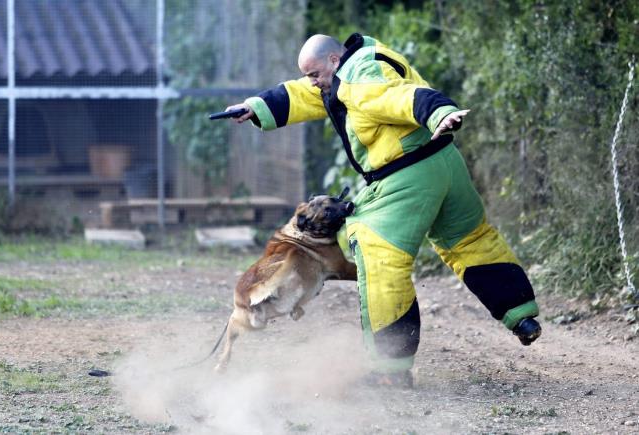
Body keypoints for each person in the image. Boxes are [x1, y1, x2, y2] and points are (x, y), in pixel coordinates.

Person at [225, 33, 541, 386]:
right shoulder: (364, 59)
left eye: (314, 73)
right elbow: (308, 93)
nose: (312, 83)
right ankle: (521, 314)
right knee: (469, 240)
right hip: (446, 164)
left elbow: (398, 98)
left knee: (379, 258)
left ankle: (391, 371)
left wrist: (439, 111)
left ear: (333, 60)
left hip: (409, 176)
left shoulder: (359, 81)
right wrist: (258, 106)